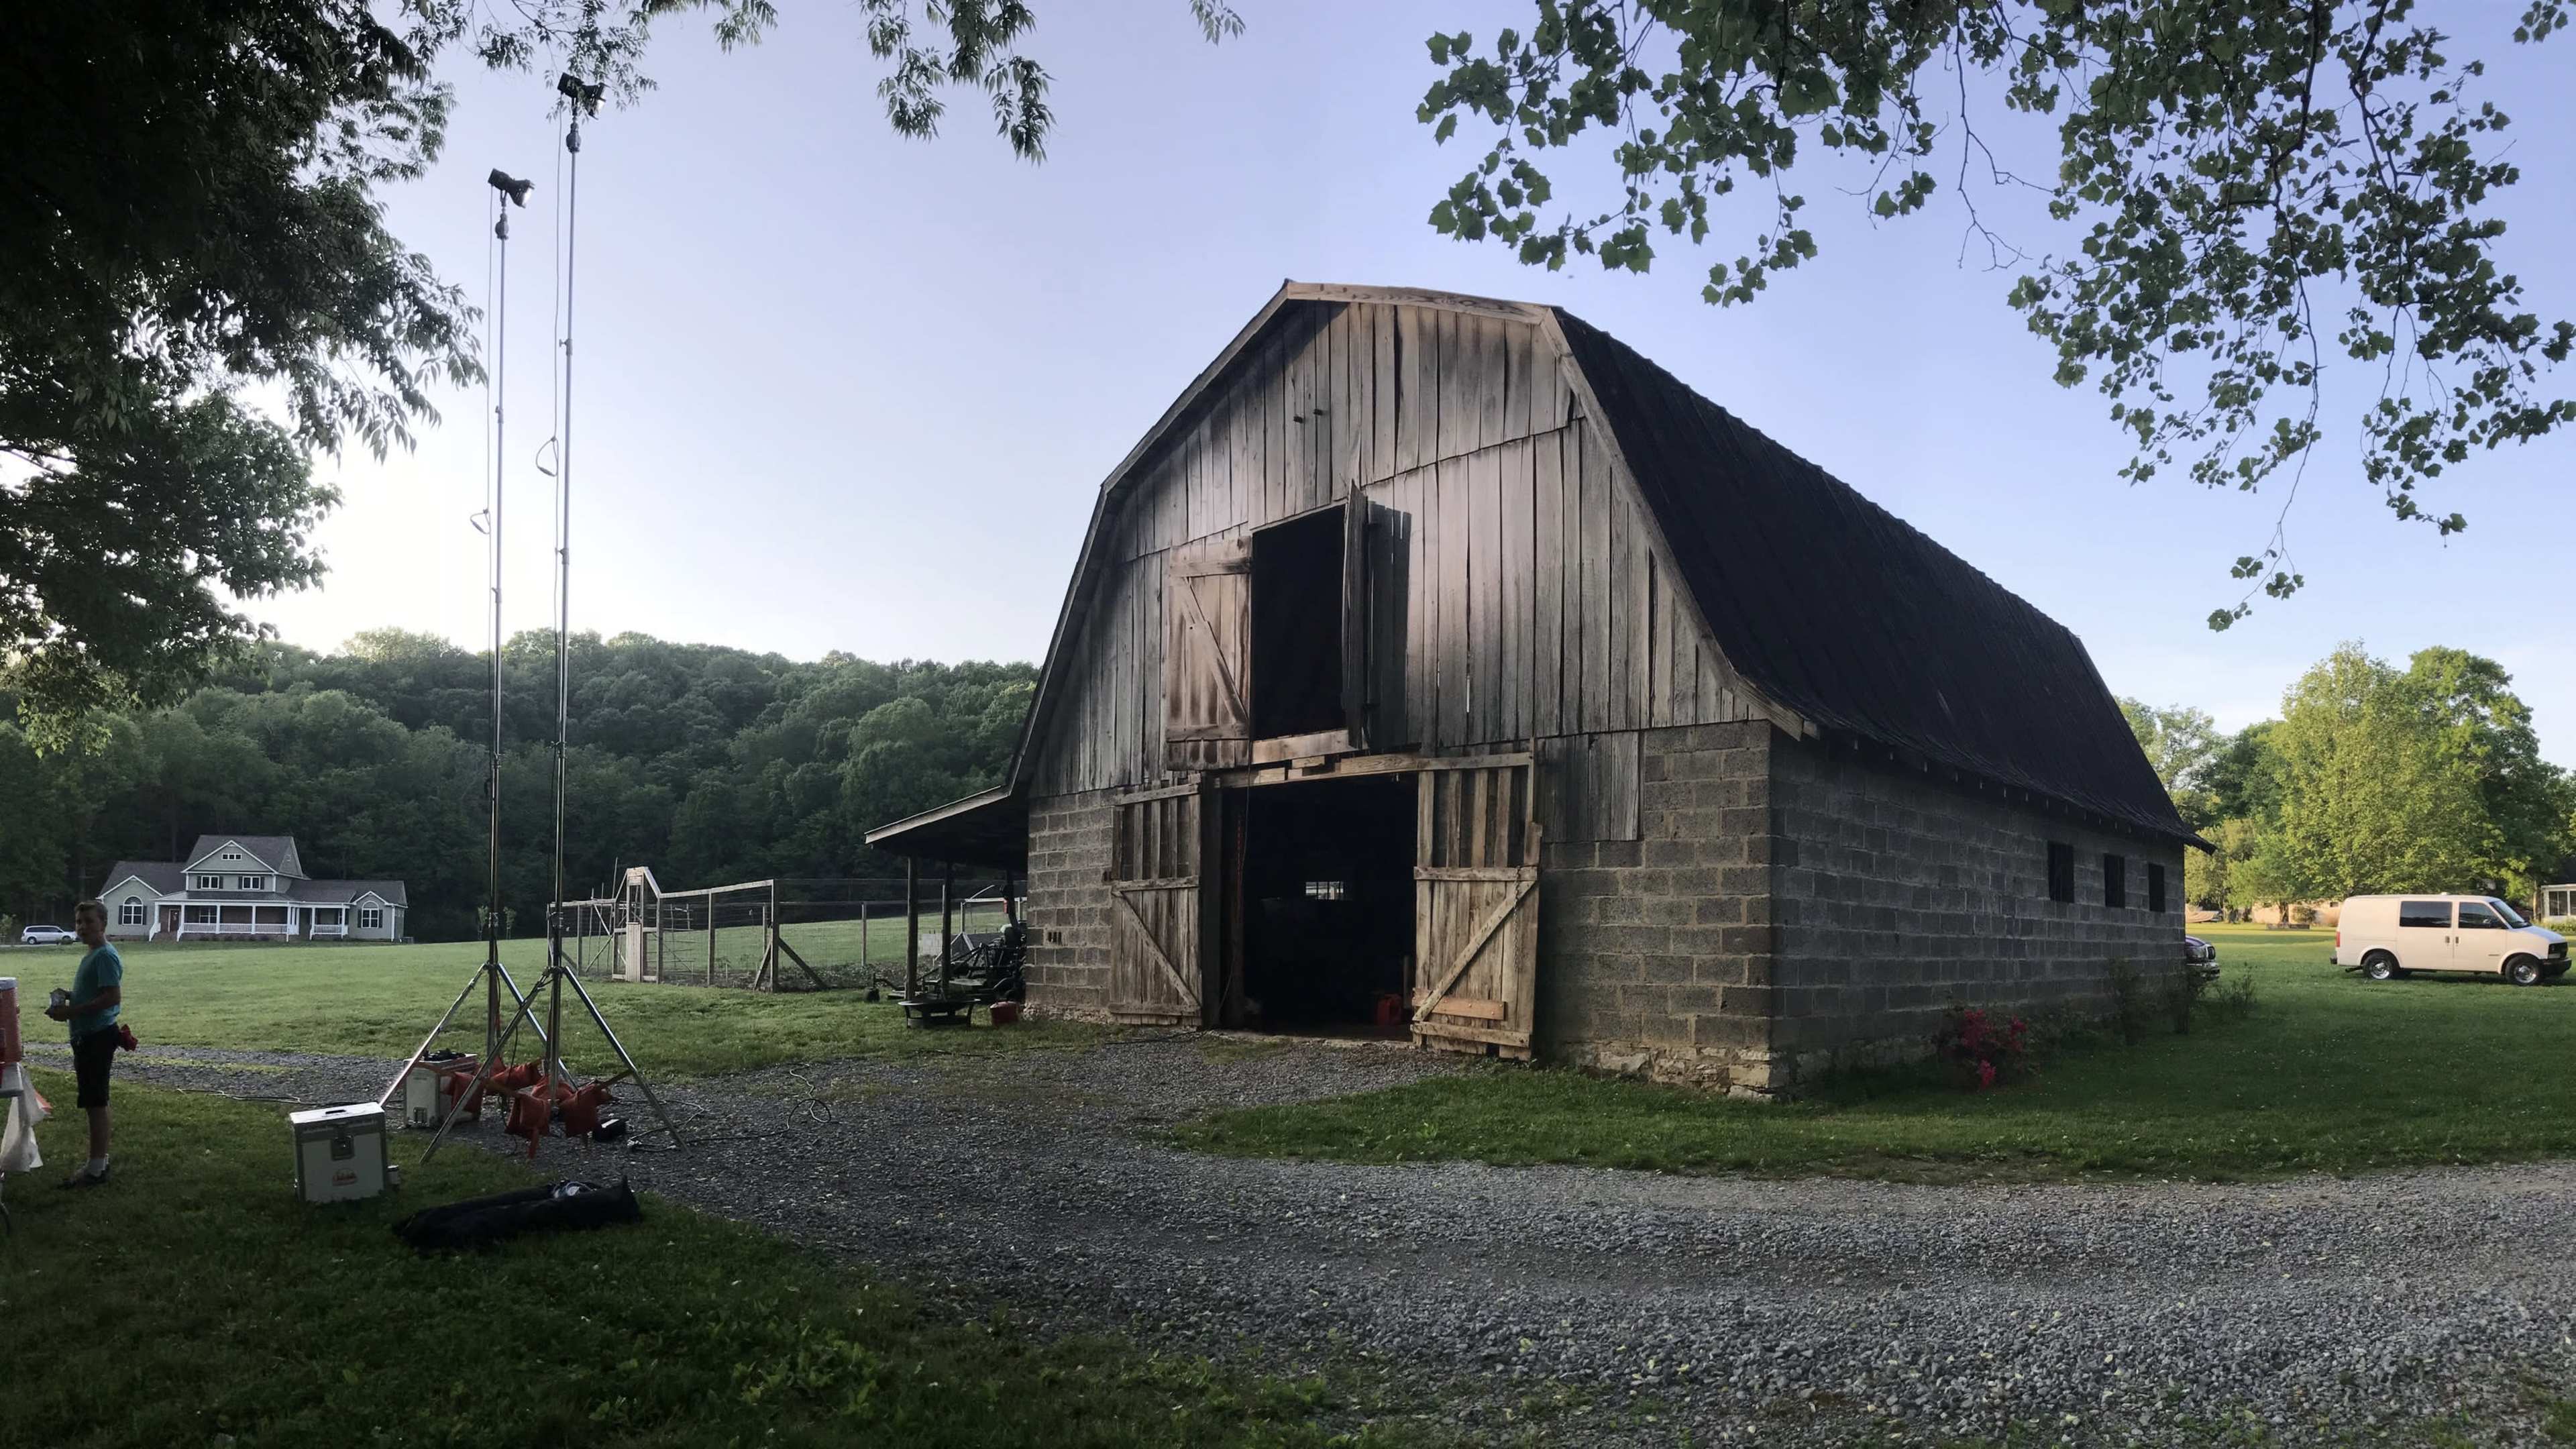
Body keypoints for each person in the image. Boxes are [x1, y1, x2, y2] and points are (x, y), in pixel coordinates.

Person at [44, 899, 121, 1187]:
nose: (83, 927)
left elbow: (112, 997)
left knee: (96, 1102)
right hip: (88, 1036)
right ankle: (99, 1162)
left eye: (89, 921)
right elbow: (96, 993)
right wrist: (72, 998)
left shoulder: (104, 955)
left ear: (103, 924)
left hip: (97, 1037)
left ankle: (96, 1169)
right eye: (79, 922)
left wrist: (71, 1012)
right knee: (96, 1100)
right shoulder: (92, 954)